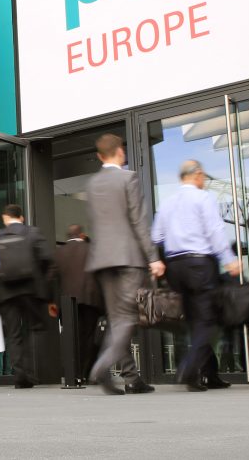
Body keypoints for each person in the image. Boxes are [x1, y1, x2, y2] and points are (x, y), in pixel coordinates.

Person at [151, 159, 242, 392]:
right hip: (200, 265)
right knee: (208, 321)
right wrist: (229, 258)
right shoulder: (203, 198)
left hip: (175, 266)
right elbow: (214, 230)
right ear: (198, 175)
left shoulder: (168, 202)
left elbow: (157, 236)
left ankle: (209, 374)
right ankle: (189, 368)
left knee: (195, 321)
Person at [85, 133, 162, 395]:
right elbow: (138, 220)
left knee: (118, 319)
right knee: (127, 318)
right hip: (128, 257)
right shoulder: (128, 178)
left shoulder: (92, 183)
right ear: (121, 152)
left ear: (99, 156)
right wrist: (153, 257)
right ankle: (102, 366)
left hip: (102, 259)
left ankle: (131, 378)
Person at [0, 204, 54, 388]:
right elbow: (47, 259)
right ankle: (35, 371)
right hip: (30, 290)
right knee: (36, 328)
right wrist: (46, 289)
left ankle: (20, 373)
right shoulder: (33, 233)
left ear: (5, 218)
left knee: (13, 334)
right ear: (21, 217)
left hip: (6, 292)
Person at [54, 224, 103, 384]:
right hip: (90, 299)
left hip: (67, 302)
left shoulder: (59, 252)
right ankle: (85, 373)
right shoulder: (92, 249)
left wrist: (52, 301)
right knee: (88, 336)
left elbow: (52, 277)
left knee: (71, 336)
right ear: (82, 235)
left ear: (68, 236)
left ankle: (72, 373)